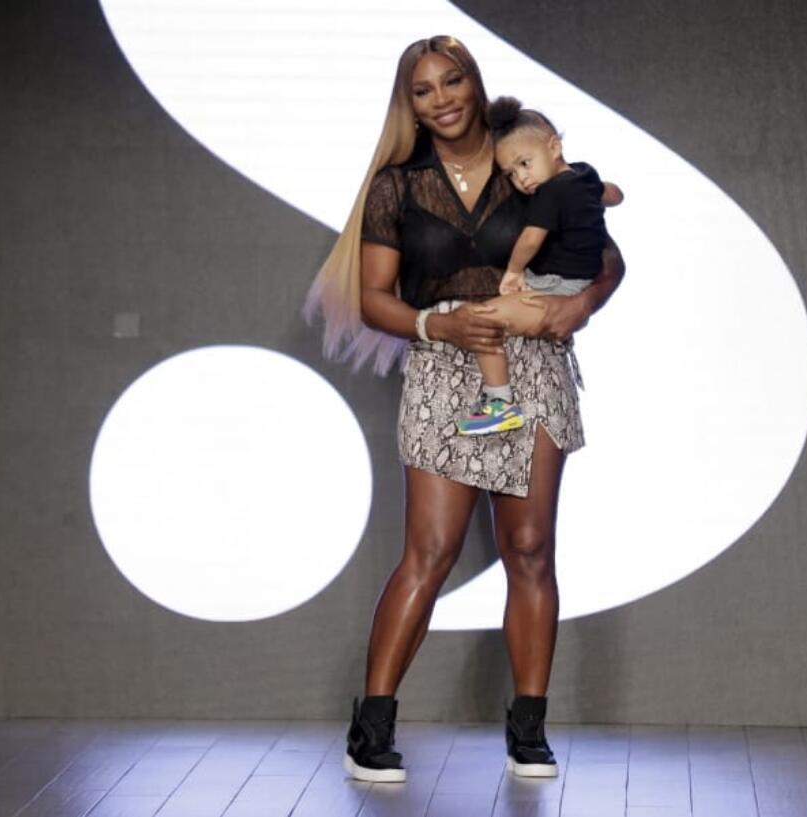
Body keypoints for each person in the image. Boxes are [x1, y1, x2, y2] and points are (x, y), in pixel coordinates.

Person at [303, 35, 625, 784]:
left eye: (453, 81)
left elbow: (607, 258)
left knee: (531, 547)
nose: (442, 98)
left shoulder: (528, 162)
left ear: (475, 85)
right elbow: (375, 296)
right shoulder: (398, 185)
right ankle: (372, 727)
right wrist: (437, 324)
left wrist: (578, 304)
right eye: (423, 89)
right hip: (445, 362)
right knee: (432, 549)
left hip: (533, 361)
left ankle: (528, 729)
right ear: (408, 103)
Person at [455, 96, 625, 436]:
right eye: (512, 173)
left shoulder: (551, 193)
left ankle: (500, 404)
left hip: (554, 287)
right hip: (566, 281)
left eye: (525, 163)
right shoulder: (582, 174)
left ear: (554, 146)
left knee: (480, 320)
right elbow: (614, 194)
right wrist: (600, 199)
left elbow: (531, 240)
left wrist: (514, 273)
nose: (522, 179)